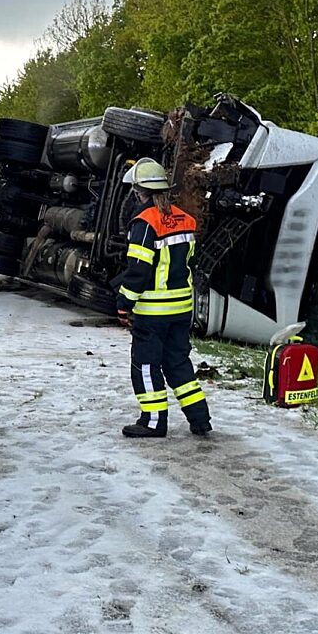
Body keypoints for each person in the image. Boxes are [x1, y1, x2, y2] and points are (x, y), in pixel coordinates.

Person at [115, 157, 212, 438]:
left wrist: (124, 303)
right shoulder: (186, 219)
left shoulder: (144, 223)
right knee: (178, 364)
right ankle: (200, 418)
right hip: (182, 309)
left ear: (138, 191)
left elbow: (138, 271)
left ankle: (153, 422)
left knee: (145, 365)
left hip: (153, 312)